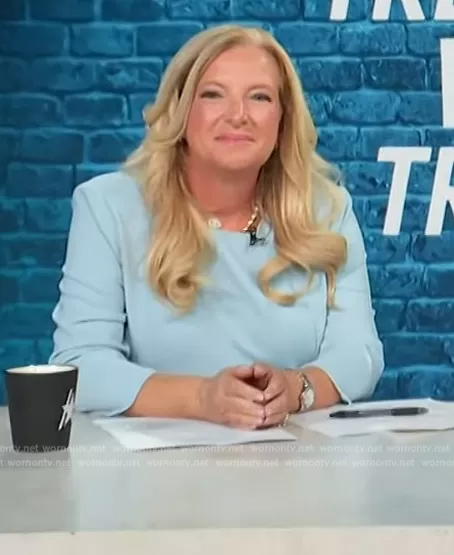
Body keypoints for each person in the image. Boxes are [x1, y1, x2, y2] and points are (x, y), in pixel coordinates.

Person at [49, 24, 384, 429]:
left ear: (282, 119)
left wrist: (296, 389)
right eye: (213, 94)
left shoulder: (327, 210)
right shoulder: (108, 206)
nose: (238, 115)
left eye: (259, 97)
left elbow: (361, 354)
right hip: (154, 462)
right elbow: (80, 366)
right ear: (181, 111)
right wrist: (202, 398)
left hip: (296, 457)